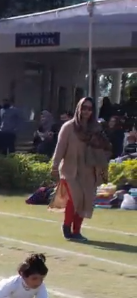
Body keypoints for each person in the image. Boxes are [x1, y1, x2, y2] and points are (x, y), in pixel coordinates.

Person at [50, 97, 111, 242]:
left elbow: (105, 147)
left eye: (89, 109)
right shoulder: (68, 127)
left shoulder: (95, 129)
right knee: (75, 199)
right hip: (70, 170)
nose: (86, 111)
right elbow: (60, 148)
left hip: (89, 170)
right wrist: (54, 166)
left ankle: (76, 231)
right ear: (78, 108)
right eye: (84, 108)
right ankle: (66, 227)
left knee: (85, 201)